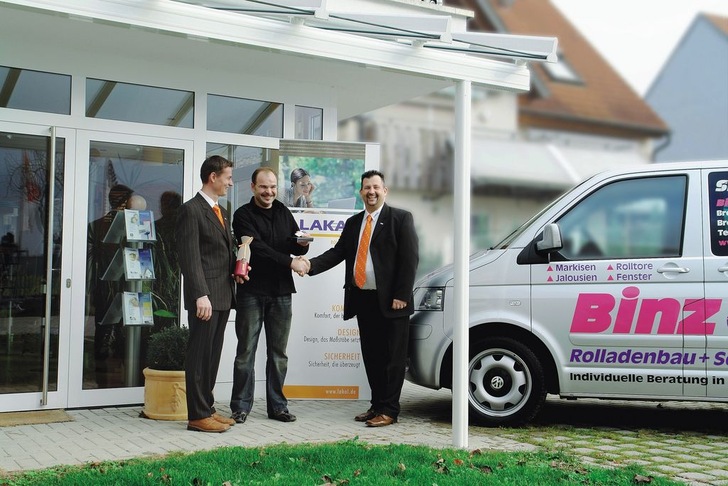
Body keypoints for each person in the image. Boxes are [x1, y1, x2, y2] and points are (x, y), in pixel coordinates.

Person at [300, 170, 418, 427]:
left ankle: (390, 410)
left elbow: (409, 260)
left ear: (384, 191)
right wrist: (309, 265)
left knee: (393, 359)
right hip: (364, 299)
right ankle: (377, 406)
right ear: (361, 192)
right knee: (373, 356)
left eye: (376, 187)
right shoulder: (354, 223)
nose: (371, 192)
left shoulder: (400, 218)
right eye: (367, 187)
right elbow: (337, 253)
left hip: (392, 302)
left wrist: (401, 295)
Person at [229, 167, 310, 424]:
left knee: (278, 354)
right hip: (251, 291)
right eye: (264, 187)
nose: (269, 192)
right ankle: (240, 407)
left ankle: (278, 407)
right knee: (245, 353)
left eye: (273, 187)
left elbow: (290, 241)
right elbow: (259, 249)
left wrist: (301, 245)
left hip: (282, 292)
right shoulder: (242, 215)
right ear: (253, 187)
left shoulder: (283, 211)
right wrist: (289, 261)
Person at [177, 155, 246, 433]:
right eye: (228, 177)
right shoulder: (191, 210)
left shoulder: (221, 210)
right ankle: (196, 416)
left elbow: (219, 252)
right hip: (205, 297)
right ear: (213, 177)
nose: (231, 182)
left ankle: (208, 408)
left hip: (222, 294)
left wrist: (239, 266)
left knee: (212, 356)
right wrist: (199, 295)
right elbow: (190, 257)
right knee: (199, 356)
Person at [87, 183, 134, 388]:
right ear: (125, 201)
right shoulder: (129, 225)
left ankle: (103, 377)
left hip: (102, 286)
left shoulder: (96, 224)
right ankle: (123, 378)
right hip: (123, 285)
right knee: (124, 330)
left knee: (103, 329)